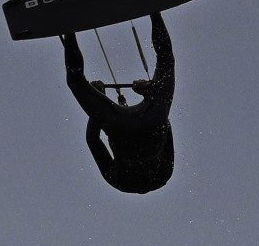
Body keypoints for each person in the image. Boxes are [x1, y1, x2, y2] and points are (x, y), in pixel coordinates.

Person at [61, 11, 176, 194]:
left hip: (152, 123)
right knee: (76, 82)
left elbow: (166, 126)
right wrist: (99, 100)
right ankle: (68, 31)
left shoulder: (164, 176)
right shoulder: (119, 183)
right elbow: (92, 140)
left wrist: (150, 94)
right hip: (121, 129)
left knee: (166, 63)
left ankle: (154, 11)